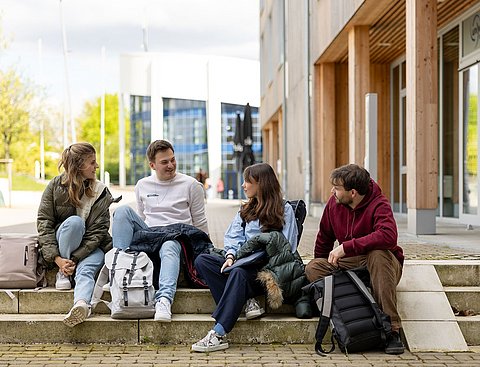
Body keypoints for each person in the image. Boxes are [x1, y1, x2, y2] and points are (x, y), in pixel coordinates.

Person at [192, 163, 307, 353]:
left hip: (268, 269)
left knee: (238, 272)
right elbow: (233, 237)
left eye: (248, 181)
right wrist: (230, 256)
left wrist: (256, 253)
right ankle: (246, 300)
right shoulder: (246, 210)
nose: (244, 185)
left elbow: (287, 246)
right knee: (203, 261)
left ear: (261, 183)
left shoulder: (284, 210)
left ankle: (218, 333)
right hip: (241, 262)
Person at [304, 164, 405, 355]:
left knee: (378, 253)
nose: (332, 191)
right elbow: (324, 238)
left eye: (337, 188)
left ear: (352, 192)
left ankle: (392, 330)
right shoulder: (334, 204)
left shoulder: (379, 204)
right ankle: (359, 291)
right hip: (351, 265)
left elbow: (388, 236)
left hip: (382, 264)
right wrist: (322, 265)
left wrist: (346, 247)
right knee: (313, 268)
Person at [111, 139, 208, 322]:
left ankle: (164, 300)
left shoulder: (191, 184)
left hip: (178, 237)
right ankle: (118, 275)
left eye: (172, 159)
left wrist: (203, 253)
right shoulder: (142, 185)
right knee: (122, 211)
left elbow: (200, 223)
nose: (171, 165)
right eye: (165, 162)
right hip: (150, 234)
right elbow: (141, 216)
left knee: (169, 244)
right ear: (152, 165)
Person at [37, 142, 118, 327]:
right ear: (78, 166)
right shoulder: (55, 186)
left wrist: (73, 259)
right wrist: (58, 259)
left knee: (87, 270)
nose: (96, 166)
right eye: (92, 162)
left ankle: (81, 304)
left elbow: (99, 232)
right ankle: (63, 273)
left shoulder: (100, 191)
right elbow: (44, 223)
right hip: (63, 244)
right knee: (75, 223)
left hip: (91, 247)